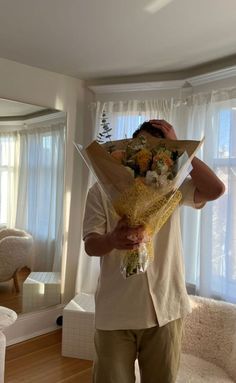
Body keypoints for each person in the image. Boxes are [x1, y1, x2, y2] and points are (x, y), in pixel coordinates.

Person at [83, 119, 225, 383]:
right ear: (129, 149)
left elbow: (216, 189)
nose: (144, 152)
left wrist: (182, 151)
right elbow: (91, 244)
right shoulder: (100, 191)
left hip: (166, 308)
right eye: (141, 146)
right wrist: (113, 240)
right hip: (115, 312)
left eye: (158, 147)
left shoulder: (174, 186)